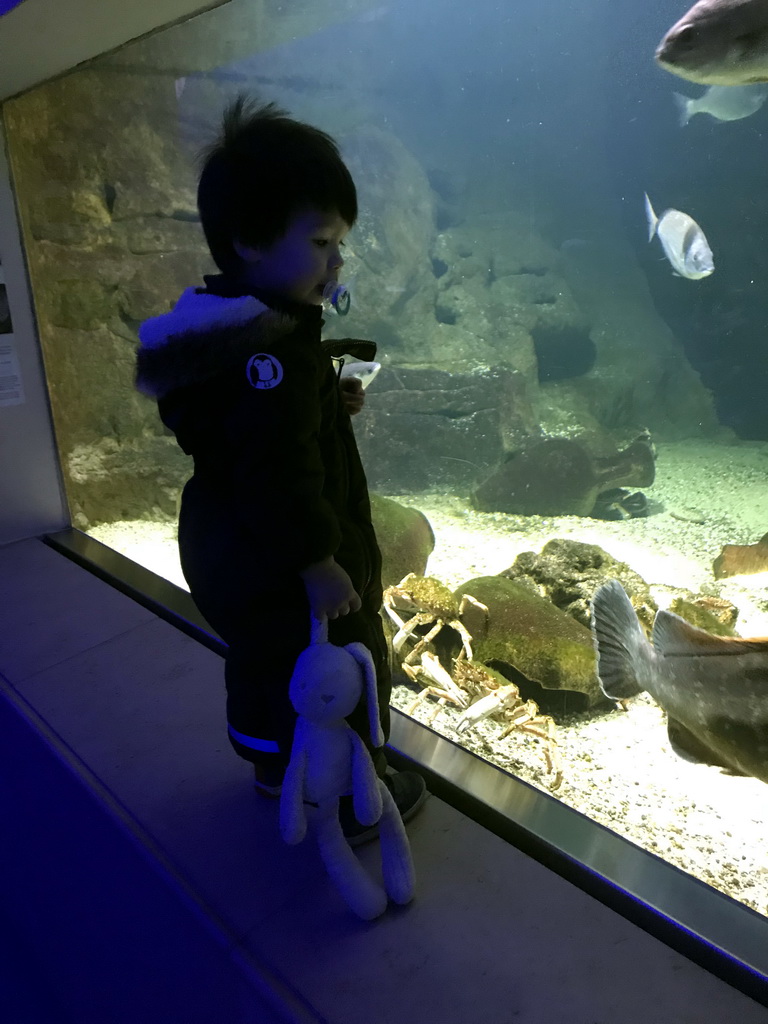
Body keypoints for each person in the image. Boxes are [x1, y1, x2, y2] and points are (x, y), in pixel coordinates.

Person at [135, 96, 426, 843]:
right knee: (336, 657)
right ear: (252, 242)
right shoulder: (276, 356)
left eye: (340, 243)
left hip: (229, 546)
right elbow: (277, 470)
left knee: (265, 663)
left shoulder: (229, 330)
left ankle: (274, 769)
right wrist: (318, 560)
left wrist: (327, 399)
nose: (338, 261)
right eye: (323, 241)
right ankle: (352, 796)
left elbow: (245, 432)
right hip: (281, 557)